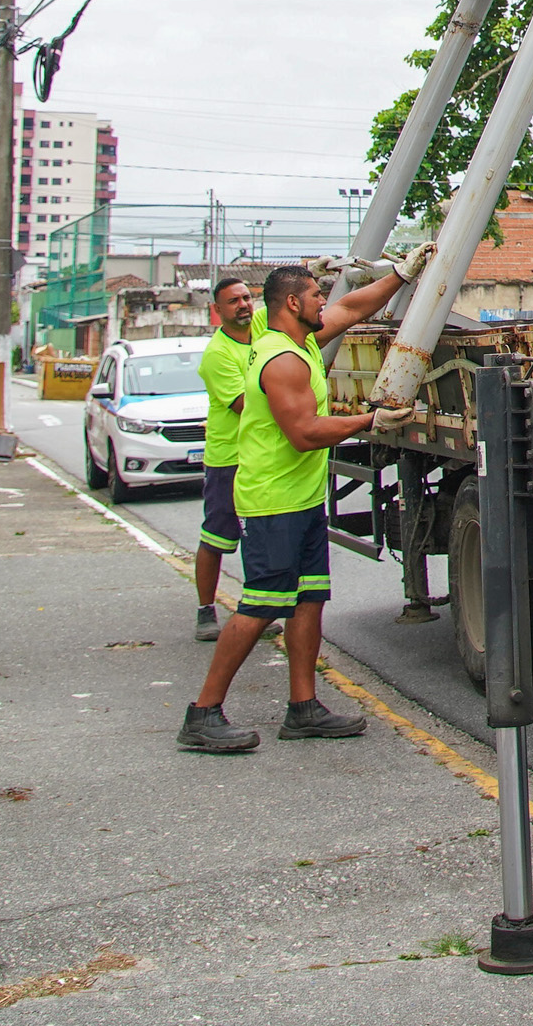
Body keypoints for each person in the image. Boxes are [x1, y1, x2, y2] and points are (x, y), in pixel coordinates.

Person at [177, 255, 423, 755]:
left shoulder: (300, 337)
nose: (323, 302)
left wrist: (402, 273)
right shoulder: (282, 359)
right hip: (273, 502)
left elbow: (353, 307)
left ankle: (304, 707)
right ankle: (203, 712)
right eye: (316, 296)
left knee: (309, 599)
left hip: (302, 498)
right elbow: (305, 433)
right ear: (293, 303)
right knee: (263, 604)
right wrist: (367, 422)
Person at [191, 275, 263, 643]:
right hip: (228, 459)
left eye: (247, 297)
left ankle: (256, 609)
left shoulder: (262, 330)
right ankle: (206, 609)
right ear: (217, 311)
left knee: (259, 535)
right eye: (233, 301)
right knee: (217, 537)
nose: (243, 305)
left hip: (260, 457)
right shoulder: (217, 354)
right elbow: (243, 405)